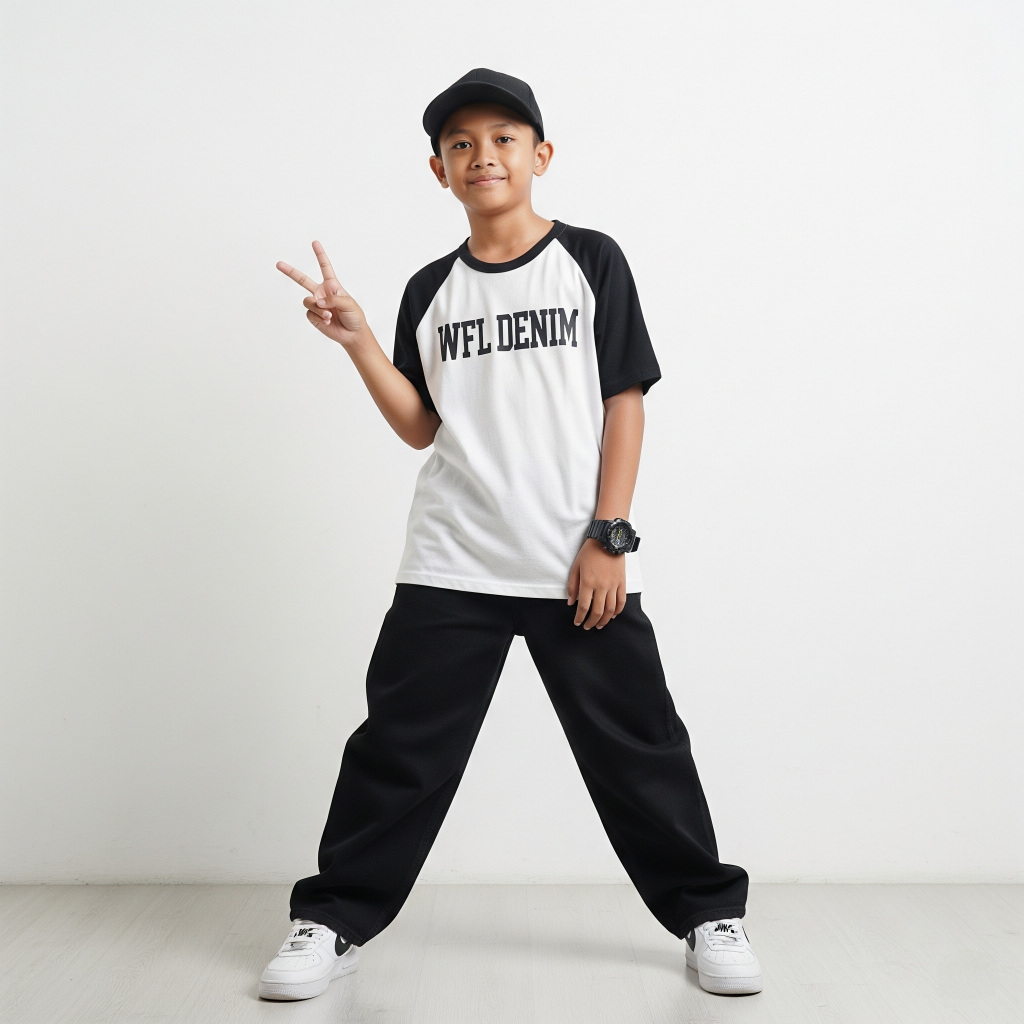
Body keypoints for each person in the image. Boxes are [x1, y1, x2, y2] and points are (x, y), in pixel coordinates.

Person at [259, 68, 763, 1002]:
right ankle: (333, 920)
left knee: (640, 747)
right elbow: (422, 426)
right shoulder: (430, 289)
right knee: (397, 754)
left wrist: (610, 534)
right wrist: (360, 340)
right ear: (439, 170)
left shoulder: (592, 260)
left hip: (576, 562)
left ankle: (707, 914)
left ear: (541, 154)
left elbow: (624, 401)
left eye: (502, 138)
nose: (481, 155)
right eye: (460, 144)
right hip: (452, 560)